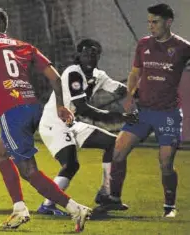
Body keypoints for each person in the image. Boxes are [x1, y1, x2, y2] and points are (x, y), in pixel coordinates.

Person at [0, 7, 92, 232]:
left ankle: (75, 208)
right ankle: (19, 209)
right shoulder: (24, 46)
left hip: (13, 112)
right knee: (0, 153)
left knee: (29, 171)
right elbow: (56, 78)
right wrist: (60, 106)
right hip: (32, 107)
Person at [100, 3, 190, 218]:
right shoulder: (143, 44)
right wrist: (130, 96)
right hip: (142, 111)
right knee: (118, 151)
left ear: (168, 22)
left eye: (155, 22)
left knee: (166, 163)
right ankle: (114, 199)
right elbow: (134, 73)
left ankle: (169, 206)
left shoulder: (183, 47)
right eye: (149, 22)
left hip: (168, 114)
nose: (151, 26)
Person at [36, 38, 139, 216]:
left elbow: (121, 90)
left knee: (113, 143)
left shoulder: (99, 75)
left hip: (71, 123)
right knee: (71, 164)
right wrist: (120, 117)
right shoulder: (73, 73)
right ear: (78, 55)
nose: (89, 56)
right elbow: (83, 108)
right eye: (85, 53)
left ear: (99, 56)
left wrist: (141, 91)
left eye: (93, 53)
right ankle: (47, 206)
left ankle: (106, 192)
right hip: (54, 123)